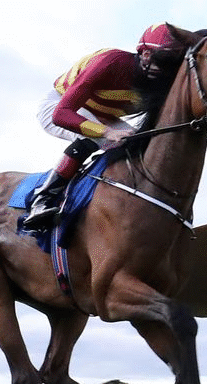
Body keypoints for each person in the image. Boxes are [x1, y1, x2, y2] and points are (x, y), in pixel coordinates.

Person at [23, 23, 188, 232]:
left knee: (142, 144)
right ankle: (43, 200)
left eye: (173, 64)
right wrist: (107, 132)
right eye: (163, 62)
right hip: (60, 105)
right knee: (93, 137)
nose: (167, 71)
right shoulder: (111, 62)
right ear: (145, 55)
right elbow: (61, 114)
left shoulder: (161, 80)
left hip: (103, 114)